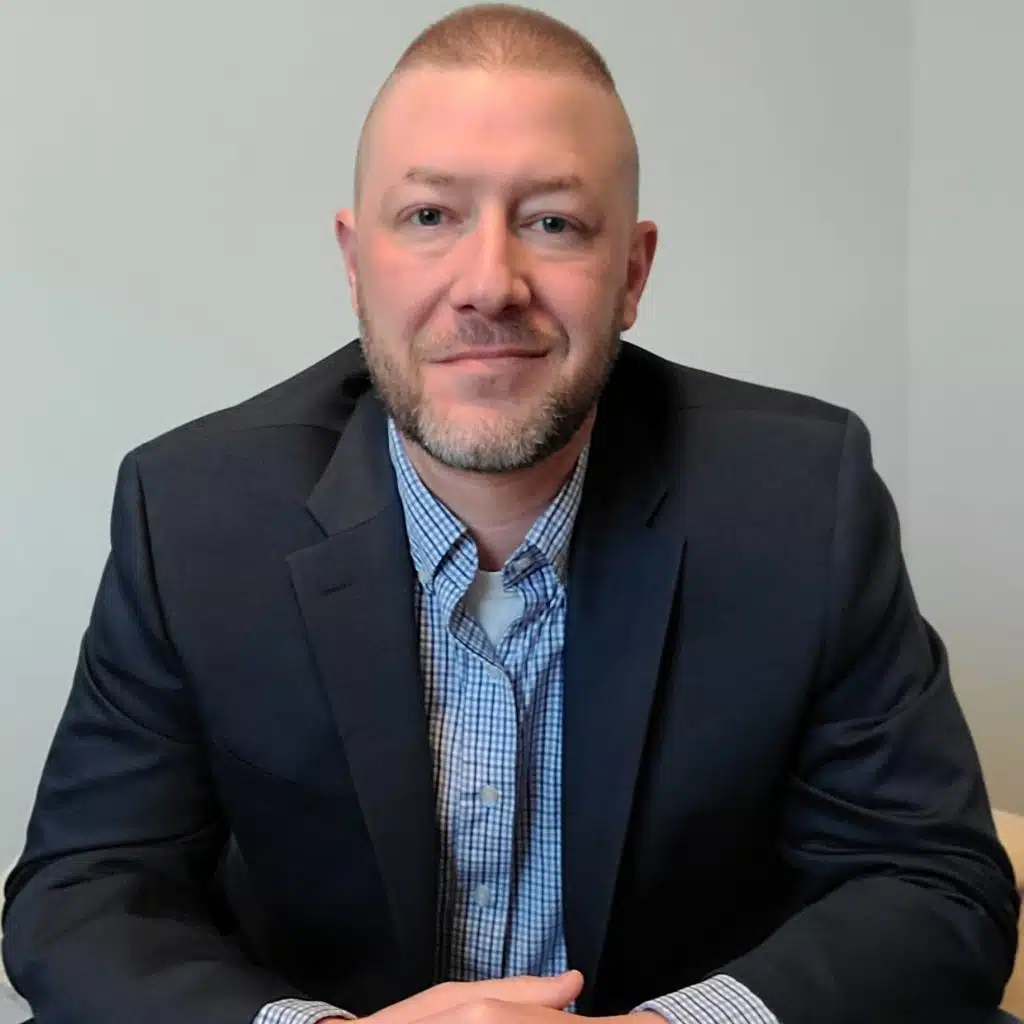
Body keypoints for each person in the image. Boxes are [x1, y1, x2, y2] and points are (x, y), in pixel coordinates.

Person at [2, 4, 1020, 1023]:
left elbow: (933, 885)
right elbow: (80, 894)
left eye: (553, 223)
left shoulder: (803, 499)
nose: (488, 284)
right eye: (430, 217)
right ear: (357, 263)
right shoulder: (192, 512)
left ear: (631, 272)